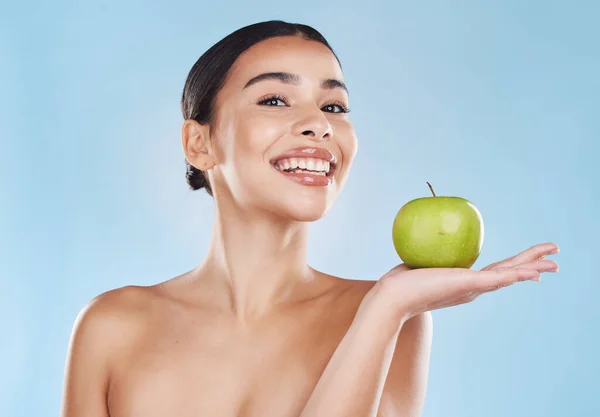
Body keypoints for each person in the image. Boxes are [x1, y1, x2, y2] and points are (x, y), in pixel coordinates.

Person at [60, 20, 560, 417]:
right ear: (200, 143)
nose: (320, 124)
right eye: (275, 99)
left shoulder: (391, 317)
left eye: (334, 105)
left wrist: (386, 309)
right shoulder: (111, 327)